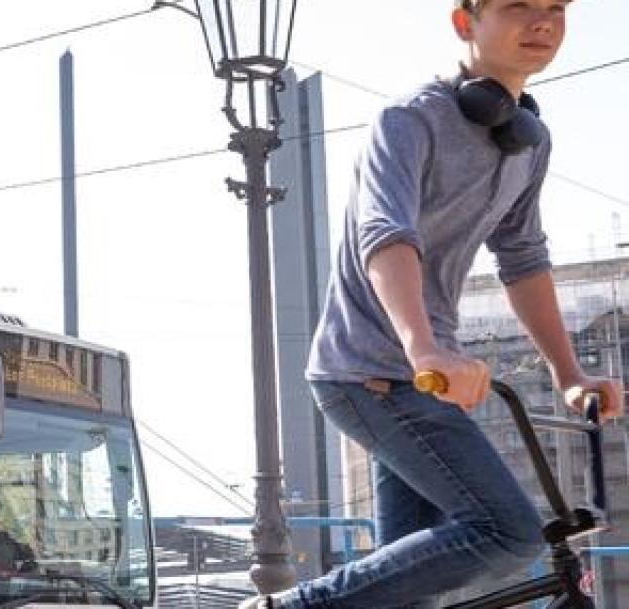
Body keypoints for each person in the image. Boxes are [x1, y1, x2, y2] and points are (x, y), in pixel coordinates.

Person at [248, 1, 626, 607]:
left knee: (405, 595)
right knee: (508, 533)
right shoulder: (409, 121)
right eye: (518, 7)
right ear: (464, 23)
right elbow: (386, 237)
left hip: (425, 382)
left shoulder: (527, 140)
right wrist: (424, 346)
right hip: (370, 373)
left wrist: (570, 374)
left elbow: (523, 256)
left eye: (556, 8)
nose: (542, 22)